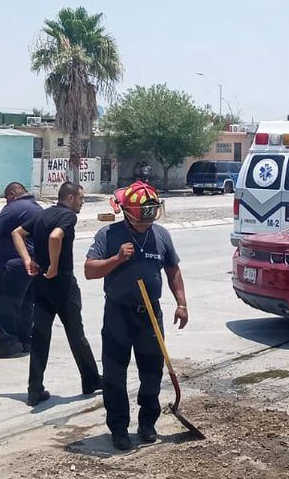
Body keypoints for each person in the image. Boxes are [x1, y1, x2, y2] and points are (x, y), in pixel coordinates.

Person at [85, 181, 188, 451]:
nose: (150, 217)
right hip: (118, 314)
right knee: (114, 374)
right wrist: (116, 259)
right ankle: (119, 428)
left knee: (152, 372)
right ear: (129, 212)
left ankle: (147, 424)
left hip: (150, 315)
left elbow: (173, 270)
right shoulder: (108, 234)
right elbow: (89, 271)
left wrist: (181, 303)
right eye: (145, 212)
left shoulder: (162, 235)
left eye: (153, 211)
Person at [12, 181, 101, 407]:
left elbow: (17, 233)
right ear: (70, 198)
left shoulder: (43, 214)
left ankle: (35, 389)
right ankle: (90, 380)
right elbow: (55, 237)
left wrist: (27, 260)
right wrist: (53, 265)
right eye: (80, 198)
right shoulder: (68, 217)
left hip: (41, 284)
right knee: (75, 333)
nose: (82, 202)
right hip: (61, 283)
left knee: (40, 336)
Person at [0, 182, 43, 358]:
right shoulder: (37, 207)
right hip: (31, 264)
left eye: (7, 198)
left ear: (12, 194)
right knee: (26, 305)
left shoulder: (15, 207)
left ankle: (7, 342)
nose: (6, 202)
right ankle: (25, 340)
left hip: (13, 265)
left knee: (5, 304)